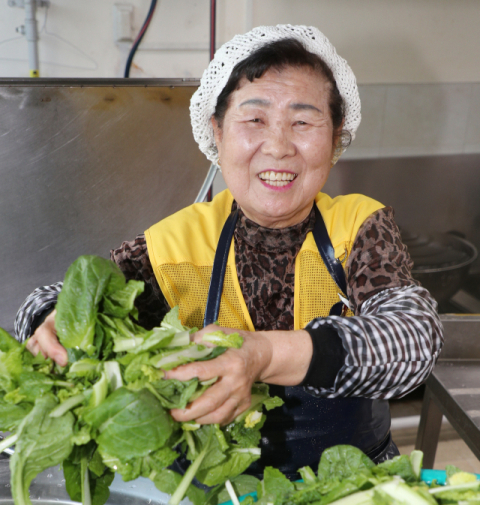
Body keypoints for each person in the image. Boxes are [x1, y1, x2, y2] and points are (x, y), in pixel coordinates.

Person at [15, 25, 443, 477]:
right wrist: (54, 321)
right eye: (254, 120)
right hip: (210, 497)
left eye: (303, 122)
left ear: (335, 138)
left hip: (353, 484)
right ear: (217, 133)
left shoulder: (359, 227)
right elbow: (61, 295)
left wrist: (261, 354)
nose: (278, 146)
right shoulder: (176, 242)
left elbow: (414, 339)